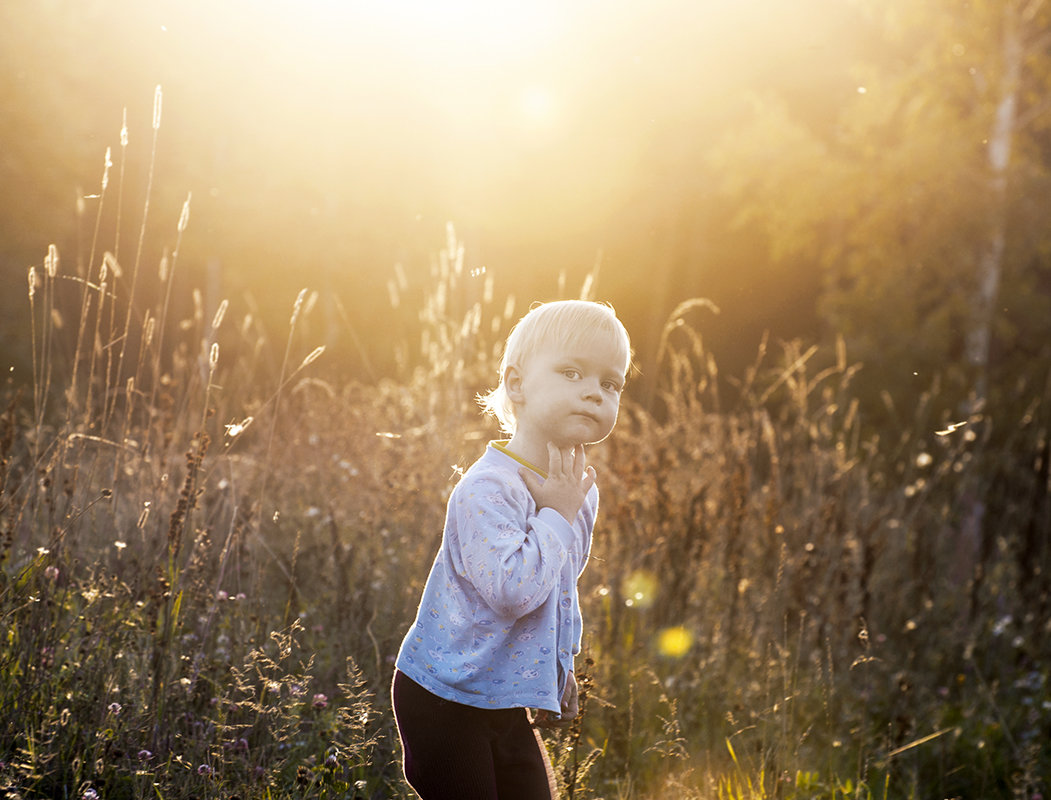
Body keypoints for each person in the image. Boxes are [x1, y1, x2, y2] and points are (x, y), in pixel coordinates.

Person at [392, 299, 632, 799]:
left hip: (502, 698)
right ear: (517, 384)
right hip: (445, 697)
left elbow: (559, 587)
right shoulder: (487, 490)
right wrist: (556, 515)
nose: (593, 392)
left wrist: (558, 670)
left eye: (610, 383)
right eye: (572, 372)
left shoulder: (577, 490)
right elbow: (512, 591)